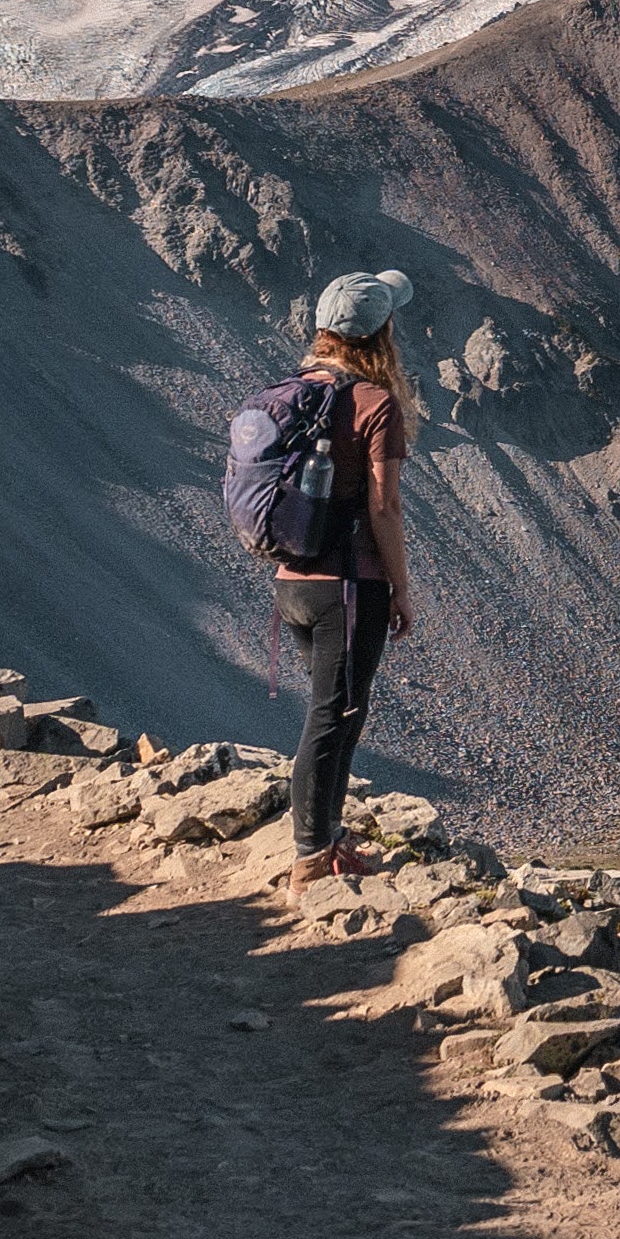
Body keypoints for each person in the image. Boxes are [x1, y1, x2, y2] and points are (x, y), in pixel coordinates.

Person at [267, 269, 419, 880]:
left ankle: (325, 842)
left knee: (336, 712)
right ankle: (309, 859)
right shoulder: (375, 403)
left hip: (291, 582)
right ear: (381, 332)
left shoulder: (292, 391)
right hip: (349, 589)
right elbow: (384, 507)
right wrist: (401, 586)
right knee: (332, 718)